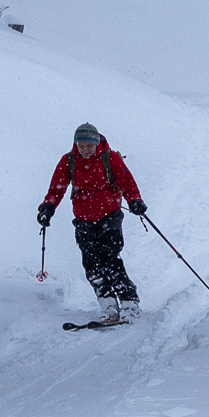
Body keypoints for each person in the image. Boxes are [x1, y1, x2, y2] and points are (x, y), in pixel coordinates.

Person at [38, 123, 149, 321]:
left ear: (96, 143)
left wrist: (135, 200)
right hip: (83, 220)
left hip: (109, 215)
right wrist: (48, 207)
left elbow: (126, 181)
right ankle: (108, 305)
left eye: (88, 145)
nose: (85, 149)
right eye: (81, 145)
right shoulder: (69, 161)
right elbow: (57, 188)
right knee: (91, 263)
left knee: (110, 258)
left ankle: (129, 302)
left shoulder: (110, 158)